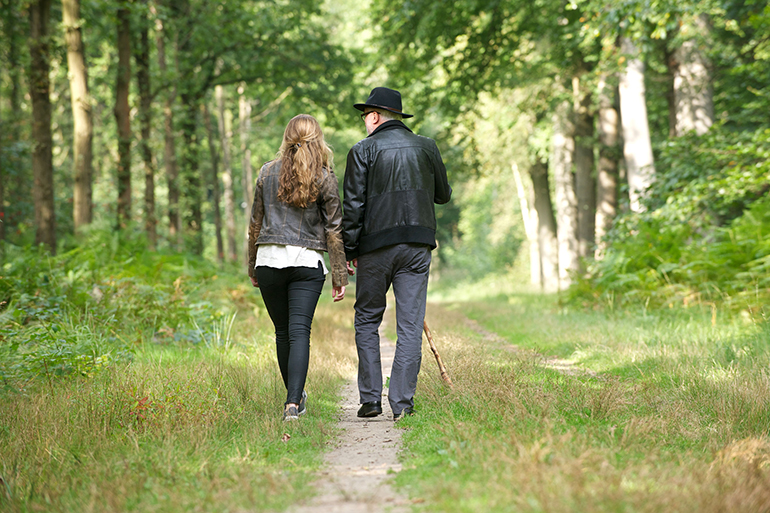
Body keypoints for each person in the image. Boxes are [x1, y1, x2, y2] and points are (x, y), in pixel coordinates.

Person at [342, 87, 452, 420]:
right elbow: (443, 195)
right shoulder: (427, 147)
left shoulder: (362, 150)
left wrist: (349, 249)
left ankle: (371, 400)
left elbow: (353, 206)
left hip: (375, 247)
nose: (365, 122)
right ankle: (402, 404)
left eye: (365, 116)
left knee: (367, 319)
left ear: (374, 116)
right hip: (418, 246)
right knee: (409, 324)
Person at [248, 114, 348, 422]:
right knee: (299, 331)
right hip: (306, 262)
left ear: (286, 137)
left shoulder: (266, 172)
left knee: (282, 332)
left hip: (269, 261)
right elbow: (334, 228)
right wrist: (339, 274)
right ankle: (292, 403)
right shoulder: (324, 176)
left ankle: (294, 397)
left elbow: (255, 224)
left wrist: (253, 266)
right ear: (318, 138)